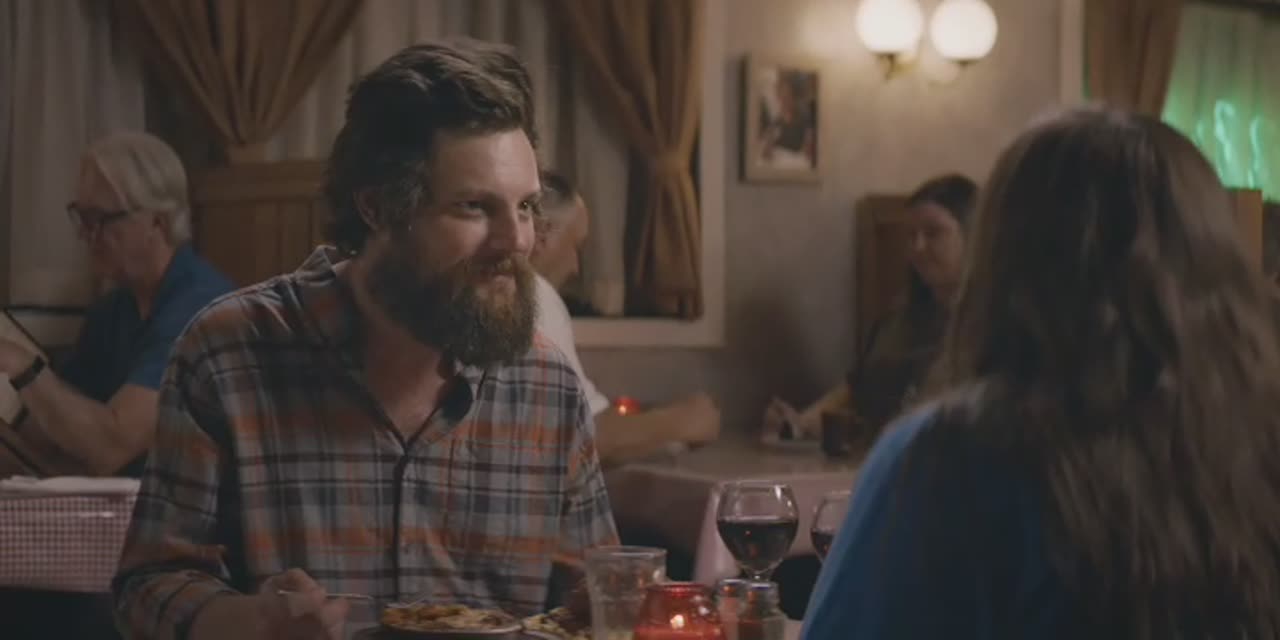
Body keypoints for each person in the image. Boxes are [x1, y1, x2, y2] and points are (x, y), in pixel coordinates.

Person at [112, 40, 618, 640]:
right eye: (474, 207)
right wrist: (250, 623)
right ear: (377, 208)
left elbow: (595, 595)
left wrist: (617, 607)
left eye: (527, 206)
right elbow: (149, 586)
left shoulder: (548, 387)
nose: (518, 240)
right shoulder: (228, 355)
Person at [802, 107, 1280, 638]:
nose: (917, 249)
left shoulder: (950, 454)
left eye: (934, 233)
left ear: (1002, 253)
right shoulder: (1256, 438)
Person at [0, 132, 233, 477]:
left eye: (100, 219)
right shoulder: (112, 310)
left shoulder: (199, 309)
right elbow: (55, 435)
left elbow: (111, 446)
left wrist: (20, 364)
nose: (85, 234)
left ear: (158, 222)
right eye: (81, 216)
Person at [763, 173, 977, 446]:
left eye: (933, 233)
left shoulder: (990, 328)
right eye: (911, 236)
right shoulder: (896, 323)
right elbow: (856, 390)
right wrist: (798, 423)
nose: (918, 247)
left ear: (973, 236)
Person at [532, 171, 720, 467]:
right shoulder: (533, 293)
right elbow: (586, 437)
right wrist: (685, 421)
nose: (576, 268)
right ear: (541, 235)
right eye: (576, 247)